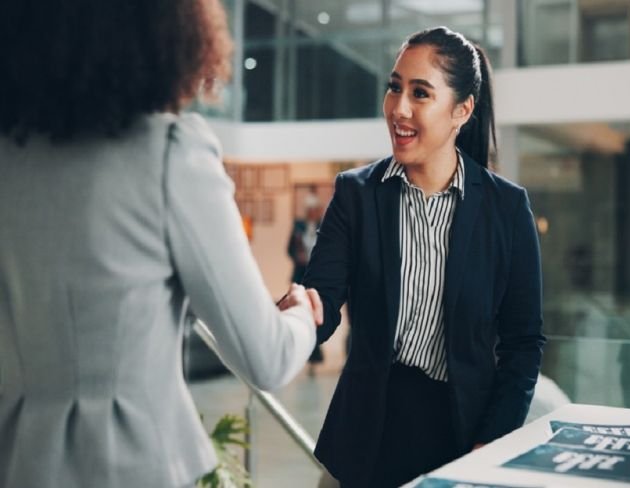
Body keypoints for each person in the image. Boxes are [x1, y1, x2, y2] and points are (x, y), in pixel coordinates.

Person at [0, 1, 322, 487]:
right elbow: (267, 357)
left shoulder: (10, 161)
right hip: (136, 467)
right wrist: (302, 313)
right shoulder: (168, 153)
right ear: (166, 30)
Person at [301, 26, 546, 487]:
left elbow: (523, 344)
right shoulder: (356, 193)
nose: (399, 108)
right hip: (364, 437)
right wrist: (299, 313)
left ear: (462, 110)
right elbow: (324, 300)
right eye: (394, 87)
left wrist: (491, 440)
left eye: (420, 93)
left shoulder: (507, 209)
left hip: (461, 437)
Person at [287, 191, 325, 375]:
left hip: (317, 277)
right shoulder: (298, 226)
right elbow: (289, 249)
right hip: (301, 275)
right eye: (309, 209)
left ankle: (315, 357)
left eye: (314, 210)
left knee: (318, 316)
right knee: (303, 314)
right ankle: (305, 355)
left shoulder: (324, 226)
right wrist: (298, 257)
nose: (312, 213)